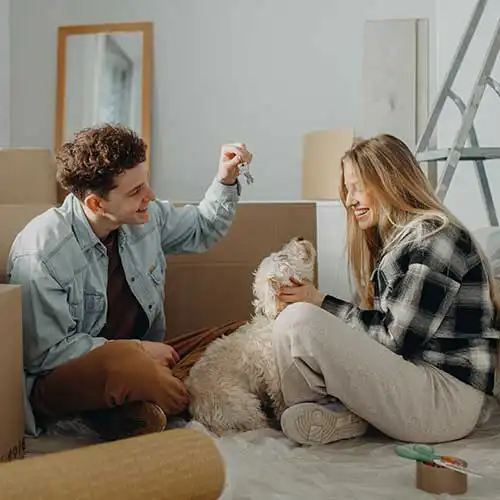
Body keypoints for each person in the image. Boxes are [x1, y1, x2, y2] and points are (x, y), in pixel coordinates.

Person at [8, 123, 253, 440]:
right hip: (72, 378)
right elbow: (45, 354)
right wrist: (138, 349)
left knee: (242, 333)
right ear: (97, 204)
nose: (149, 196)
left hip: (148, 357)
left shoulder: (143, 217)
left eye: (146, 184)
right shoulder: (42, 252)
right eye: (136, 191)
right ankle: (176, 399)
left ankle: (144, 406)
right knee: (126, 365)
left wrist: (226, 178)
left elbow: (202, 228)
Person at [274, 134, 499, 446]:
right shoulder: (401, 242)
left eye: (357, 186)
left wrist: (319, 300)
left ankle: (325, 405)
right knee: (288, 323)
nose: (349, 199)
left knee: (298, 320)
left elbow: (395, 339)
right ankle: (335, 413)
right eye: (346, 189)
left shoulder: (434, 238)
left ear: (390, 180)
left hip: (445, 399)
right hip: (420, 382)